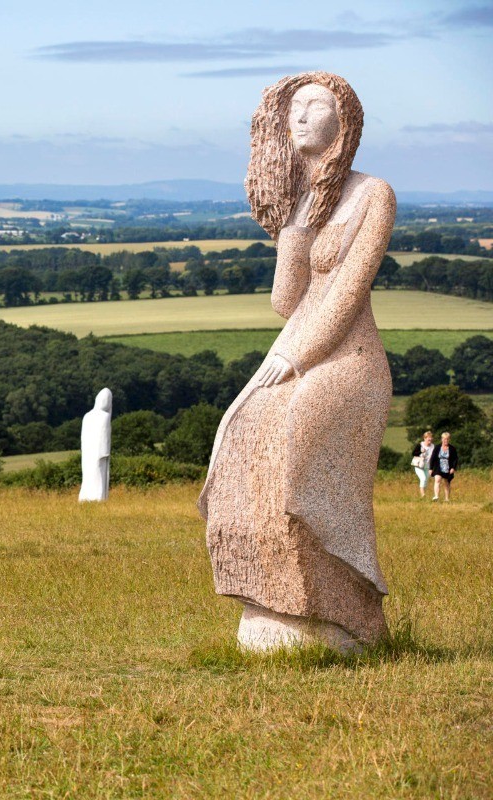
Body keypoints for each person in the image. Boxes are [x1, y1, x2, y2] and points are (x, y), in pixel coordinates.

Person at [199, 72, 394, 650]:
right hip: (294, 346)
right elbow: (287, 301)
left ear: (345, 120)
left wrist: (297, 356)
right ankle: (272, 599)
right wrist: (295, 224)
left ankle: (339, 611)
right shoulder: (306, 201)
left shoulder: (373, 194)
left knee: (293, 432)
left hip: (348, 359)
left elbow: (346, 295)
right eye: (294, 108)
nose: (301, 116)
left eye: (316, 104)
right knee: (239, 430)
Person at [429, 431, 459, 502]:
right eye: (444, 439)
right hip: (438, 466)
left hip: (448, 467)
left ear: (449, 439)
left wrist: (453, 468)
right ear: (442, 439)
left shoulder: (452, 448)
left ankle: (447, 499)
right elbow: (433, 458)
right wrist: (431, 468)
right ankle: (436, 496)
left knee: (446, 482)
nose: (446, 440)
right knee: (437, 480)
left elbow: (455, 459)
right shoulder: (437, 447)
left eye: (447, 439)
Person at [410, 430, 435, 500]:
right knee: (423, 479)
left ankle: (424, 496)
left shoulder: (433, 446)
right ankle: (423, 495)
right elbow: (413, 453)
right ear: (425, 438)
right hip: (419, 466)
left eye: (431, 438)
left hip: (428, 466)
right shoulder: (420, 445)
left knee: (426, 480)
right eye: (428, 438)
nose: (430, 439)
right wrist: (420, 451)